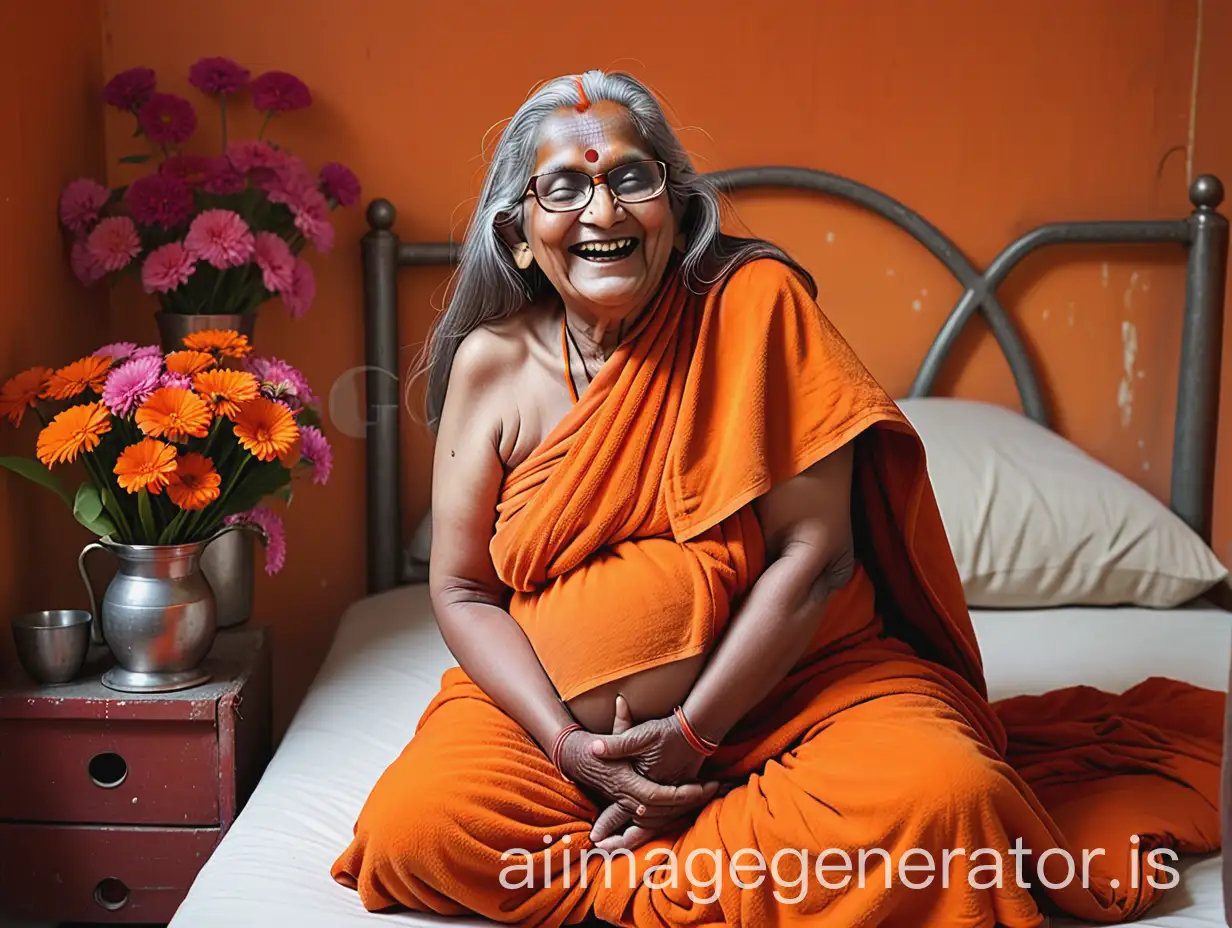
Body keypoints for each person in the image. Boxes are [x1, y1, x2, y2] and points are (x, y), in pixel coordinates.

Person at [332, 70, 1222, 927]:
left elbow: (816, 557)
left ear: (678, 213)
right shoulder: (490, 364)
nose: (601, 212)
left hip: (800, 698)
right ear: (521, 235)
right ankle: (712, 863)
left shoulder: (757, 309)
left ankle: (656, 855)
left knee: (951, 802)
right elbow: (461, 591)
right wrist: (575, 752)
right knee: (418, 833)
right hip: (556, 738)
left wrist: (688, 739)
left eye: (631, 179)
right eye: (562, 188)